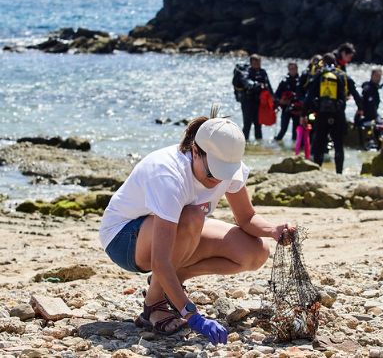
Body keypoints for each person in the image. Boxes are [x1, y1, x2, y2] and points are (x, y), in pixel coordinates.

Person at [99, 112, 292, 342]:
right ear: (195, 151)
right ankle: (154, 303)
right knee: (192, 217)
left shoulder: (228, 165)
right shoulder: (168, 174)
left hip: (175, 231)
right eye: (213, 172)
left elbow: (247, 217)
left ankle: (172, 282)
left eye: (224, 174)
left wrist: (273, 230)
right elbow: (160, 259)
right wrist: (192, 316)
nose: (218, 181)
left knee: (255, 253)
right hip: (124, 238)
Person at [303, 53, 348, 174]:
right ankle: (339, 172)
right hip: (337, 114)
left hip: (322, 114)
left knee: (319, 143)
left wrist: (303, 114)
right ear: (335, 62)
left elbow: (309, 97)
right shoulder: (340, 75)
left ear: (323, 62)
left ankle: (318, 171)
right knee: (338, 144)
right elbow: (345, 96)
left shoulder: (319, 75)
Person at [239, 54, 273, 141]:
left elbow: (268, 86)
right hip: (247, 102)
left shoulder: (263, 72)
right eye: (255, 62)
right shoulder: (246, 71)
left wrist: (274, 100)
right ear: (251, 63)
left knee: (258, 124)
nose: (257, 64)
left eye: (259, 62)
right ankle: (243, 144)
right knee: (247, 124)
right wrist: (256, 85)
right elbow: (246, 82)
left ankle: (259, 146)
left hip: (259, 102)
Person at [274, 62, 300, 141]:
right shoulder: (284, 81)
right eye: (290, 69)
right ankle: (277, 145)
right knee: (283, 130)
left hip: (297, 109)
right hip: (286, 108)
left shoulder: (301, 80)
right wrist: (281, 101)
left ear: (297, 69)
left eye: (294, 69)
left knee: (296, 132)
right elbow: (276, 96)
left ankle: (294, 150)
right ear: (288, 70)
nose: (292, 71)